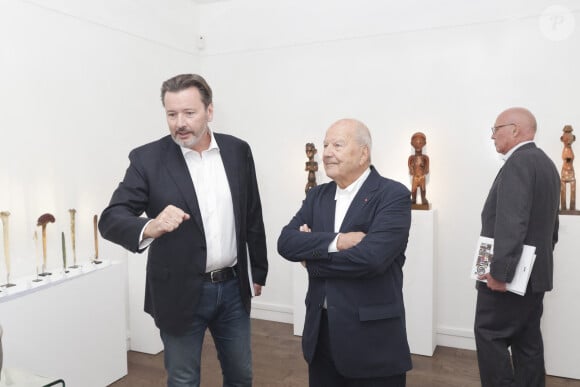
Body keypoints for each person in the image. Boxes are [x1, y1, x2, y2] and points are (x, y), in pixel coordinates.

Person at [98, 73, 268, 387]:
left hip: (232, 288)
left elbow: (252, 214)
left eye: (189, 113)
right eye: (172, 114)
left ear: (209, 111)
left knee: (241, 375)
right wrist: (151, 225)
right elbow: (111, 218)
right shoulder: (147, 159)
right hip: (178, 291)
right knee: (183, 378)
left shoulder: (237, 151)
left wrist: (258, 270)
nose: (180, 123)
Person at [278, 118, 412, 387]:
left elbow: (372, 259)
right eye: (325, 144)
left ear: (364, 153)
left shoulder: (392, 195)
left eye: (337, 144)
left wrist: (311, 256)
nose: (326, 152)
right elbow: (286, 243)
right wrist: (337, 242)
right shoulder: (317, 196)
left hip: (372, 341)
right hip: (321, 336)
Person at [475, 107, 560, 387]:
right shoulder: (546, 163)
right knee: (528, 343)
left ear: (515, 130)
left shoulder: (518, 163)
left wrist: (501, 273)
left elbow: (513, 223)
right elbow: (551, 228)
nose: (492, 136)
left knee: (490, 337)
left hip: (509, 279)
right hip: (533, 277)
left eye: (495, 129)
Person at [408, 132, 429, 208]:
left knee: (423, 189)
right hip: (415, 177)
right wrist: (411, 169)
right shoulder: (411, 158)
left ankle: (423, 199)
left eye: (420, 142)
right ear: (412, 144)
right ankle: (413, 199)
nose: (418, 144)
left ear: (424, 143)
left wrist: (425, 168)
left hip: (422, 176)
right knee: (413, 190)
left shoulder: (425, 157)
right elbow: (409, 164)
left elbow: (427, 168)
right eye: (416, 142)